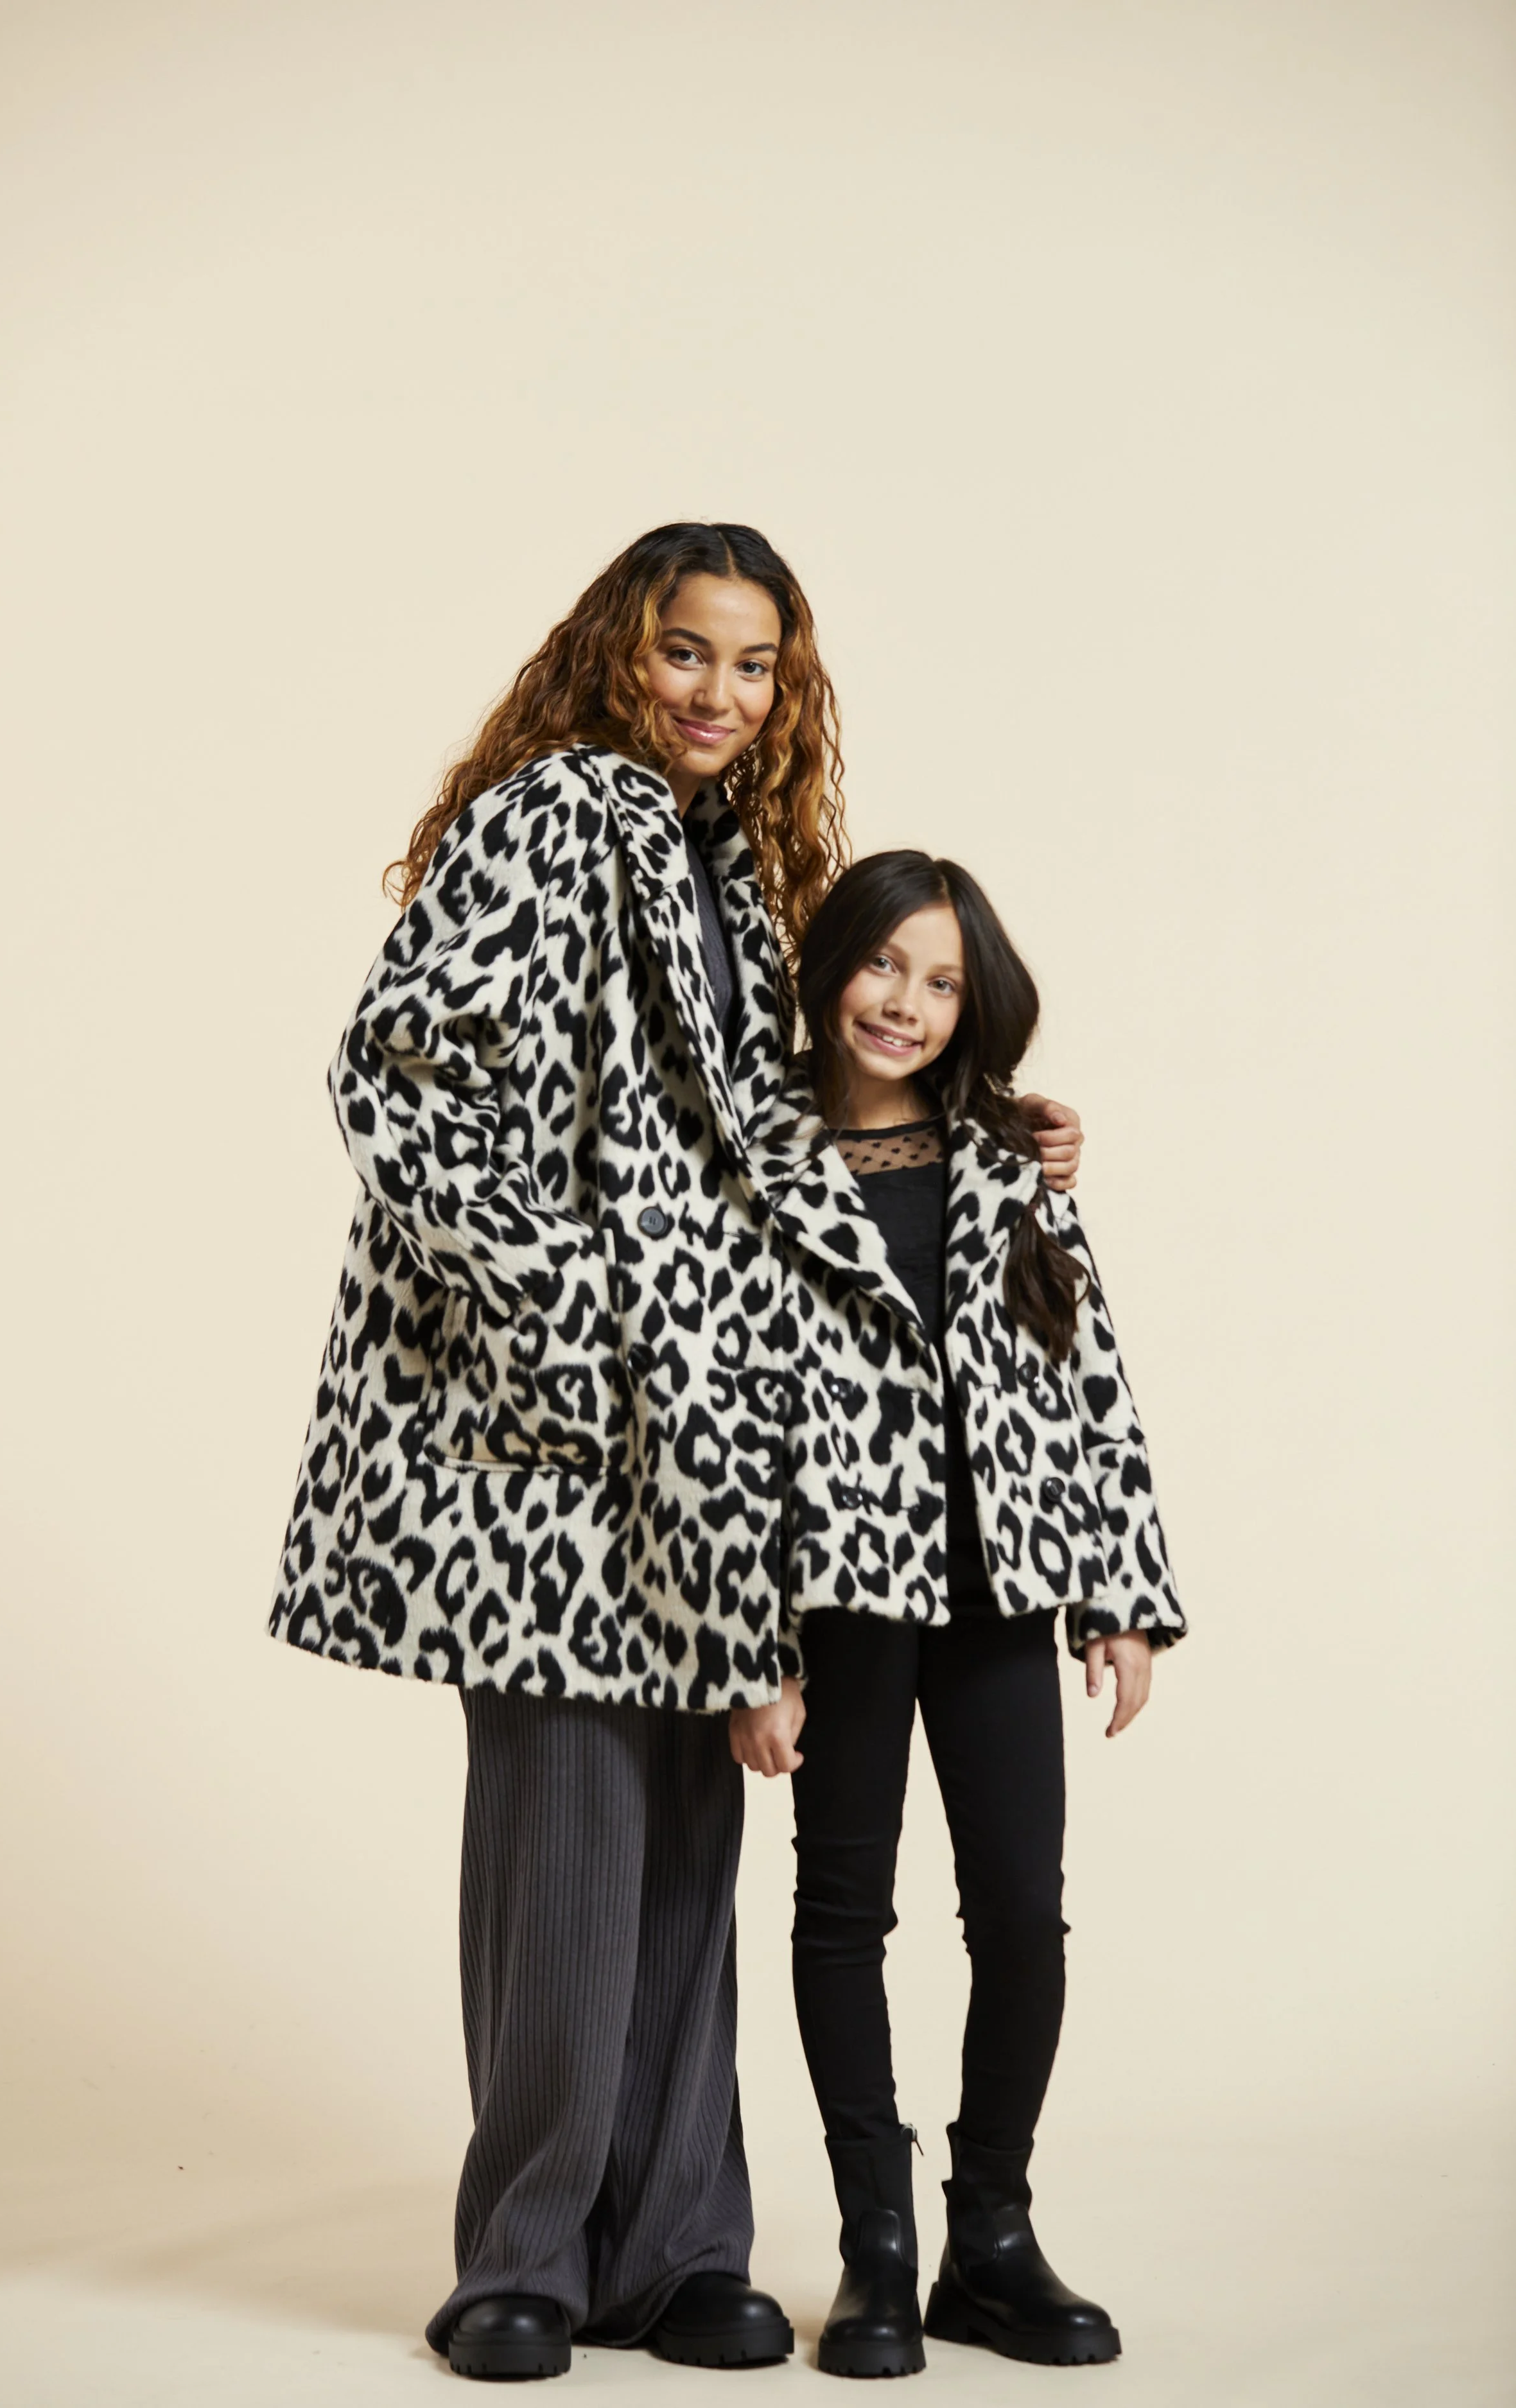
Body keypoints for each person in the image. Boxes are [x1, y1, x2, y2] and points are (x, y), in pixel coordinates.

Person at [269, 530, 1085, 2380]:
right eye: (685, 651)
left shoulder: (723, 863)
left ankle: (678, 2245)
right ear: (616, 651)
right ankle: (526, 2256)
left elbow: (784, 1114)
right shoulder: (554, 813)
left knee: (689, 1842)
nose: (719, 692)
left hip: (706, 1441)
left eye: (754, 663)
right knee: (565, 1840)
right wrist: (570, 1307)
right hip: (550, 1436)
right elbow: (393, 1073)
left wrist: (992, 1126)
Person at [731, 851, 1184, 2378]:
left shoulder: (1007, 1162)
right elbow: (716, 1427)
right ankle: (874, 2249)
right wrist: (748, 1651)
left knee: (1018, 1918)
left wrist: (1118, 1595)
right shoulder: (748, 1163)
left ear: (971, 1006)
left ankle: (989, 2238)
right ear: (829, 967)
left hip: (999, 1587)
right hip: (837, 1600)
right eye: (882, 965)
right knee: (839, 1914)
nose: (904, 1003)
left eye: (941, 982)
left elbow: (1085, 1374)